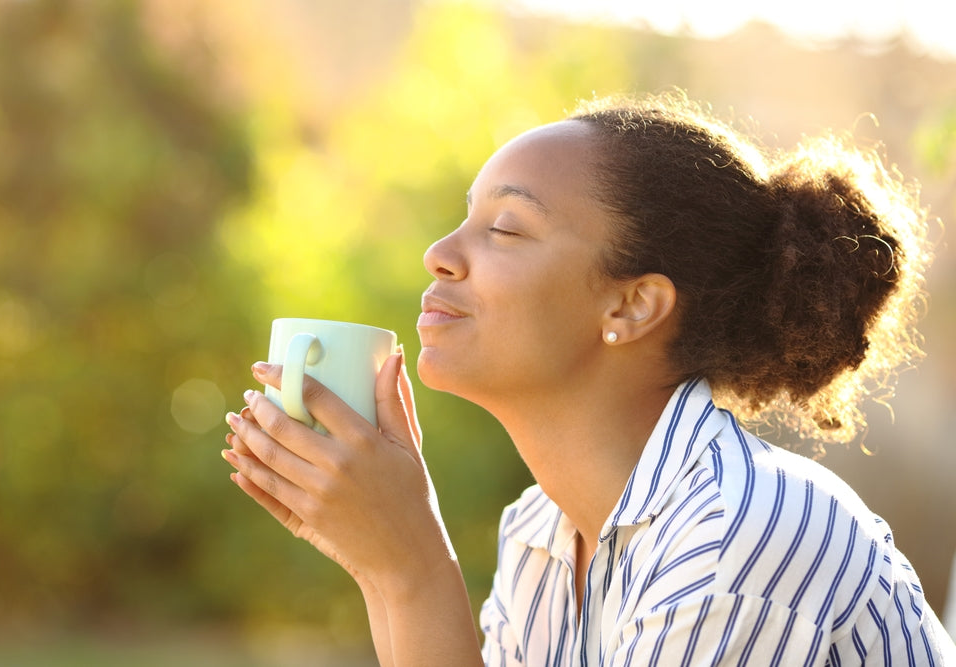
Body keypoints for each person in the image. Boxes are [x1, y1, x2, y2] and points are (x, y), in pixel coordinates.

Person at [221, 91, 956, 665]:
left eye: (505, 229)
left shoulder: (743, 527)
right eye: (463, 219)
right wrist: (379, 561)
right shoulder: (542, 534)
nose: (439, 253)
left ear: (632, 305)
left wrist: (413, 568)